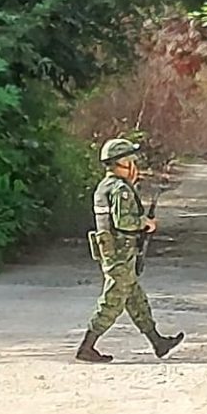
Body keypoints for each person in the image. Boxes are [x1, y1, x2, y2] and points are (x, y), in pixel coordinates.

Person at [76, 138, 185, 362]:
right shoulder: (119, 189)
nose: (135, 165)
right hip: (120, 253)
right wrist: (145, 223)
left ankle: (158, 342)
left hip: (115, 252)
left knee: (136, 300)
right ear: (120, 163)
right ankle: (87, 346)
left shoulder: (106, 186)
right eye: (130, 160)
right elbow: (124, 221)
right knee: (113, 301)